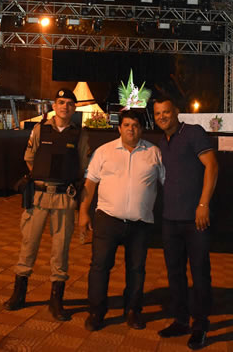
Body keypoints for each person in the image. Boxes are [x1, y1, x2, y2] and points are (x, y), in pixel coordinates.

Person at [4, 88, 90, 321]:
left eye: (69, 103)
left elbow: (83, 166)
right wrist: (43, 177)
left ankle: (56, 300)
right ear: (54, 105)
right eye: (61, 102)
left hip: (64, 197)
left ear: (74, 108)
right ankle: (19, 294)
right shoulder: (40, 130)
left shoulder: (80, 135)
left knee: (61, 249)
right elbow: (29, 158)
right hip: (39, 197)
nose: (65, 107)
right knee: (28, 244)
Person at [79, 110, 165, 331]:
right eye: (126, 125)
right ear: (119, 128)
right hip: (107, 219)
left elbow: (169, 183)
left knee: (136, 269)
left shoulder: (154, 153)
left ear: (141, 129)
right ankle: (96, 312)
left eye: (135, 125)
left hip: (140, 223)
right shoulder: (103, 151)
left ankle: (133, 310)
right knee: (100, 267)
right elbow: (90, 183)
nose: (130, 129)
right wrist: (83, 212)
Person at [153, 97, 219, 350]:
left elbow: (212, 166)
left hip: (195, 220)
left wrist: (203, 205)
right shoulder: (162, 142)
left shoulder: (193, 133)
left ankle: (200, 325)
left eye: (166, 112)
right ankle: (181, 320)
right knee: (175, 273)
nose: (162, 117)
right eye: (158, 113)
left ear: (176, 112)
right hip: (170, 220)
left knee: (200, 273)